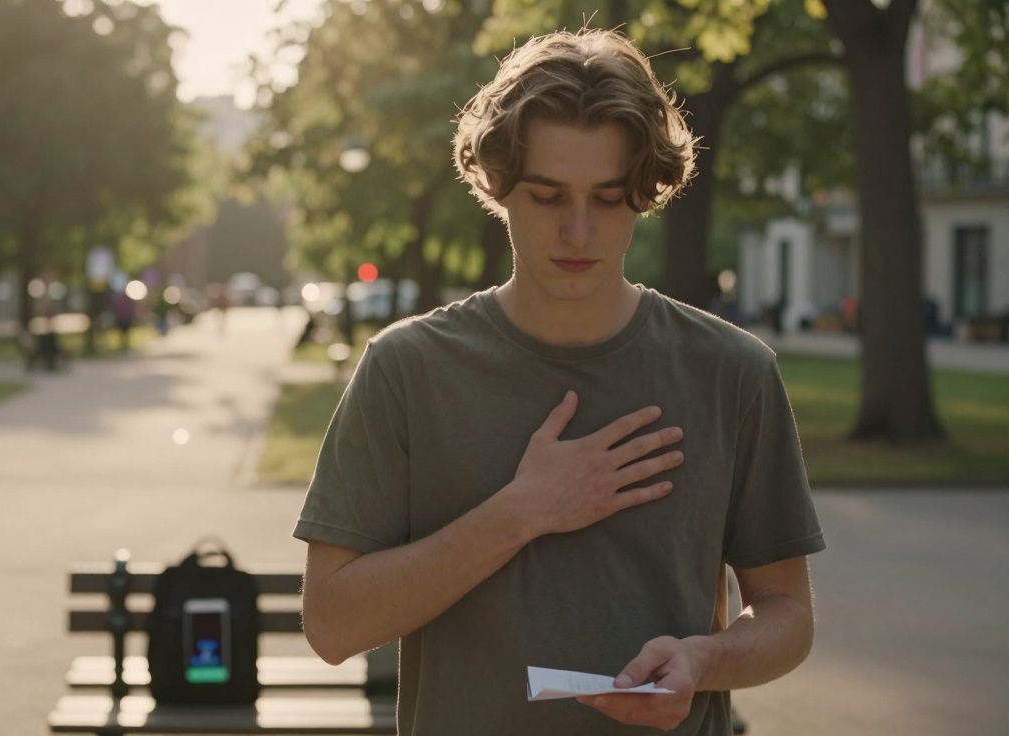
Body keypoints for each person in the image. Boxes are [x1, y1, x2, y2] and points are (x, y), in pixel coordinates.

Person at [294, 28, 824, 736]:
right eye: (547, 197)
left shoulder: (733, 371)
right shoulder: (407, 369)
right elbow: (331, 626)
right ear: (497, 185)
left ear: (646, 193)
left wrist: (704, 660)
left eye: (608, 199)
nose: (579, 232)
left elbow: (787, 614)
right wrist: (522, 512)